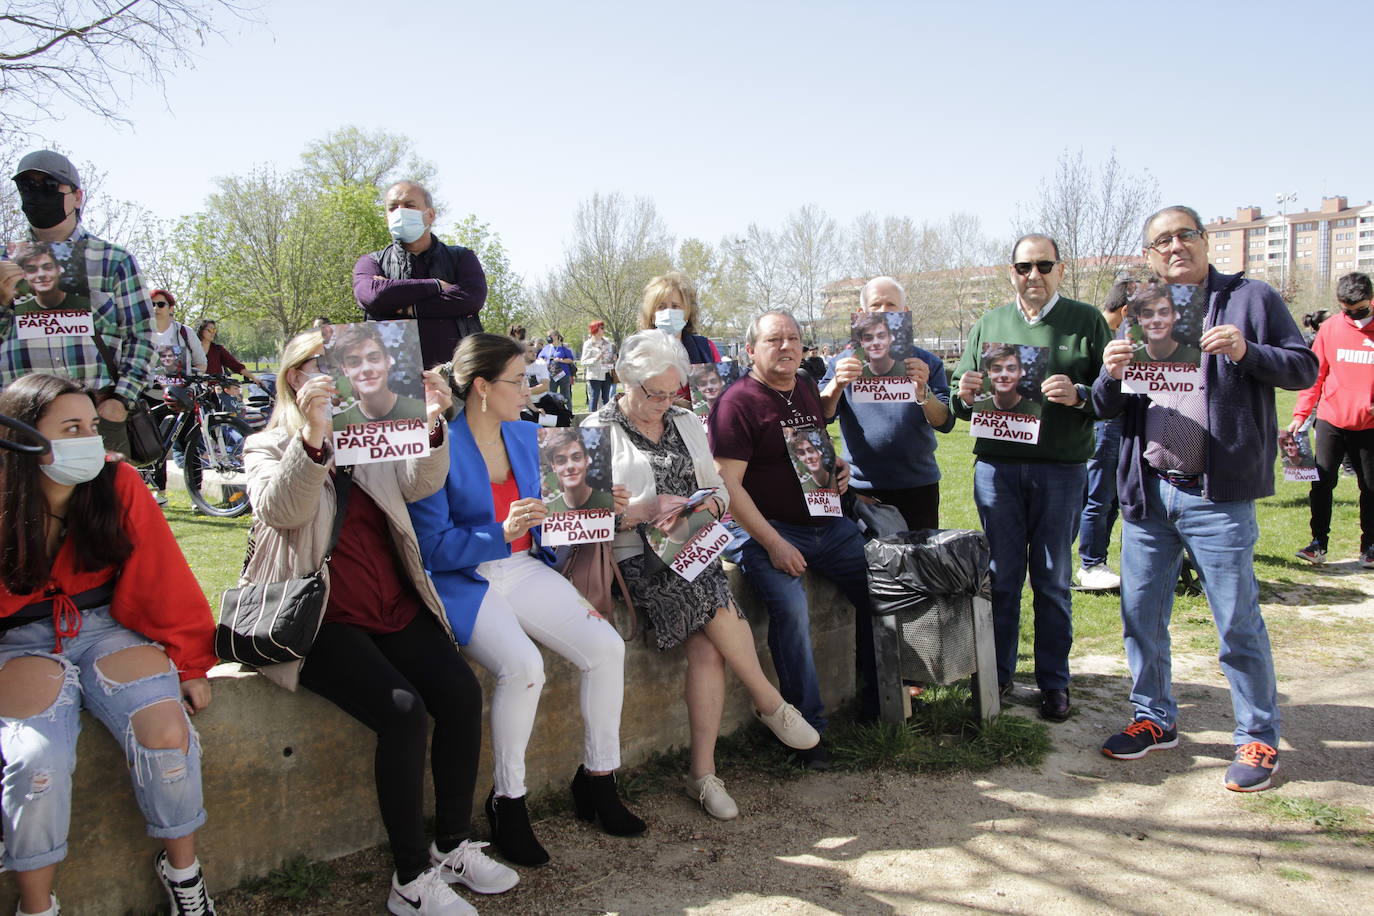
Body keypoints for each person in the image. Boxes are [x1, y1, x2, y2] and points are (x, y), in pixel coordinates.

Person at [242, 330, 513, 916]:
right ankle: (411, 879)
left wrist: (434, 421)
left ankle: (452, 844)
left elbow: (422, 481)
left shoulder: (374, 432)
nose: (343, 372)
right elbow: (282, 510)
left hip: (391, 602)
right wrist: (314, 439)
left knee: (462, 695)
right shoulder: (266, 444)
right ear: (296, 377)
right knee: (403, 712)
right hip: (321, 615)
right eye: (325, 364)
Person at [1093, 205, 1317, 792]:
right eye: (1161, 241)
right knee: (1141, 616)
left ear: (1205, 240)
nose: (1174, 247)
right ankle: (1154, 718)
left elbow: (1303, 367)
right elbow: (1105, 404)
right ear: (1148, 255)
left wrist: (1247, 352)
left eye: (1184, 235)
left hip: (1217, 496)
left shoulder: (1251, 298)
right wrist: (1110, 373)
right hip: (1150, 493)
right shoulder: (1142, 309)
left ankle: (1257, 736)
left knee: (1236, 619)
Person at [407, 333, 644, 868]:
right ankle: (508, 802)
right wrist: (499, 530)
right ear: (484, 388)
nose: (530, 387)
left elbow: (555, 515)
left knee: (606, 648)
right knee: (523, 667)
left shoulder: (526, 436)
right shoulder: (439, 441)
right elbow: (431, 547)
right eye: (518, 379)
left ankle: (599, 779)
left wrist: (601, 505)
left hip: (521, 566)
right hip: (464, 577)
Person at [0, 373, 218, 916]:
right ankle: (36, 905)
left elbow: (163, 576)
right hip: (19, 640)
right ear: (23, 436)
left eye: (92, 427)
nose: (89, 441)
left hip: (104, 627)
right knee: (35, 760)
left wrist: (190, 662)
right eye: (70, 428)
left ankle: (185, 877)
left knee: (168, 733)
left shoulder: (117, 484)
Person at [583, 330, 818, 820]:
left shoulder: (686, 420)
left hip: (695, 545)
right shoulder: (594, 431)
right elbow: (577, 520)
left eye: (673, 393)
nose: (665, 403)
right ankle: (769, 703)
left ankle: (703, 777)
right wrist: (640, 510)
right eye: (655, 393)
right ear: (625, 380)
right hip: (634, 557)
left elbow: (721, 490)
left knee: (708, 642)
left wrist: (709, 501)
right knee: (703, 591)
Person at [951, 234, 1110, 723]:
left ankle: (1053, 682)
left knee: (1053, 580)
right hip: (998, 469)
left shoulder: (1086, 322)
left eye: (1044, 265)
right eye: (1024, 267)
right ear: (1011, 272)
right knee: (1000, 578)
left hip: (1060, 469)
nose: (1033, 275)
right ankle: (997, 675)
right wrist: (965, 390)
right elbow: (960, 404)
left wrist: (1080, 394)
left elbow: (1116, 394)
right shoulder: (990, 324)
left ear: (1060, 269)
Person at [709, 309, 877, 766]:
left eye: (793, 339)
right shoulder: (736, 403)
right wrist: (773, 544)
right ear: (750, 350)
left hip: (827, 523)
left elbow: (814, 433)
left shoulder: (802, 384)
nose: (786, 347)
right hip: (766, 529)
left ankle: (880, 699)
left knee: (882, 587)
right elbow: (728, 488)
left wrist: (835, 466)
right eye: (773, 340)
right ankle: (808, 730)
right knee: (792, 609)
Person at [0, 150, 157, 455]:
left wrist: (120, 400)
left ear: (76, 197)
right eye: (27, 188)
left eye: (48, 187)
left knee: (98, 503)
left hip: (95, 417)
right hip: (20, 418)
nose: (36, 195)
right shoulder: (2, 264)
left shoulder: (114, 260)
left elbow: (141, 336)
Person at [821, 277, 954, 531]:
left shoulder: (926, 362)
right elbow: (823, 414)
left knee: (918, 565)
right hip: (860, 487)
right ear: (861, 314)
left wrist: (922, 391)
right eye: (875, 305)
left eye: (890, 305)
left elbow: (945, 422)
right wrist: (837, 383)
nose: (882, 311)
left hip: (917, 485)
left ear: (904, 313)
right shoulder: (843, 363)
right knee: (865, 565)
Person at [353, 181, 487, 368]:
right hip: (392, 380)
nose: (400, 212)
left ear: (430, 215)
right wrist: (436, 285)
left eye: (409, 205)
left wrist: (405, 305)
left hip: (455, 378)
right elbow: (373, 295)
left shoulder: (461, 257)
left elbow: (471, 298)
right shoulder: (372, 261)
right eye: (393, 208)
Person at [1290, 271, 1374, 568]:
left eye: (1360, 309)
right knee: (1322, 483)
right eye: (1346, 310)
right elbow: (1316, 375)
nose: (1353, 316)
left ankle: (1370, 546)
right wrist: (1301, 415)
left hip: (1368, 426)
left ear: (1371, 300)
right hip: (1331, 419)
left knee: (1370, 487)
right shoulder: (1329, 329)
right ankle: (1318, 543)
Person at [1075, 278, 1133, 591]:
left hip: (1115, 423)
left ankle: (1096, 560)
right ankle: (1091, 562)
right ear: (1126, 310)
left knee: (1106, 498)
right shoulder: (1103, 336)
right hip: (1106, 424)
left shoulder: (1096, 329)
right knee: (1098, 497)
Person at [638, 273, 720, 401]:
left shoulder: (706, 348)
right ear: (652, 315)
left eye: (675, 306)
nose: (668, 312)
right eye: (661, 307)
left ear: (686, 314)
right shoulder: (638, 351)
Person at [327, 323, 425, 426]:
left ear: (387, 362)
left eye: (374, 358)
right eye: (354, 362)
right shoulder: (339, 425)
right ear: (345, 370)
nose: (366, 369)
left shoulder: (422, 411)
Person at [539, 427, 616, 512]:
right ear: (554, 467)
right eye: (561, 460)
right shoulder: (548, 511)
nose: (570, 466)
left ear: (586, 461)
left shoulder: (610, 502)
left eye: (576, 457)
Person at [1127, 282, 1203, 364]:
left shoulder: (1196, 357)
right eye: (1148, 314)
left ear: (1174, 316)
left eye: (1164, 312)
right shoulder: (1130, 359)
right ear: (1139, 319)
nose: (1156, 320)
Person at [976, 345, 1043, 417]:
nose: (1004, 375)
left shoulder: (1036, 411)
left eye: (1011, 369)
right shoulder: (978, 409)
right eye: (997, 369)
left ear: (1021, 373)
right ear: (989, 373)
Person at [197, 320, 261, 387]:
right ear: (201, 330)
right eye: (210, 330)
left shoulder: (218, 349)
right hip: (195, 390)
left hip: (216, 390)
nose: (213, 333)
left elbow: (236, 365)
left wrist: (254, 378)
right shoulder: (192, 349)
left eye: (214, 330)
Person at [580, 321, 616, 412]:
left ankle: (606, 419)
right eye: (602, 328)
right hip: (594, 375)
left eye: (604, 328)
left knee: (606, 398)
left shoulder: (607, 342)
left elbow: (609, 357)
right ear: (595, 329)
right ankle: (591, 420)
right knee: (594, 397)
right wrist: (596, 358)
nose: (604, 330)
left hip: (607, 373)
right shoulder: (588, 344)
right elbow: (583, 362)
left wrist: (613, 358)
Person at [538, 331, 575, 406]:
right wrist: (544, 362)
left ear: (556, 336)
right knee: (551, 395)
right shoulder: (546, 348)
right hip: (551, 375)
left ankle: (568, 414)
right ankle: (553, 415)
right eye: (548, 336)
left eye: (550, 336)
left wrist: (561, 360)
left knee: (566, 396)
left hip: (563, 375)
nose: (549, 338)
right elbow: (539, 358)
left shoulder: (563, 348)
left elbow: (570, 360)